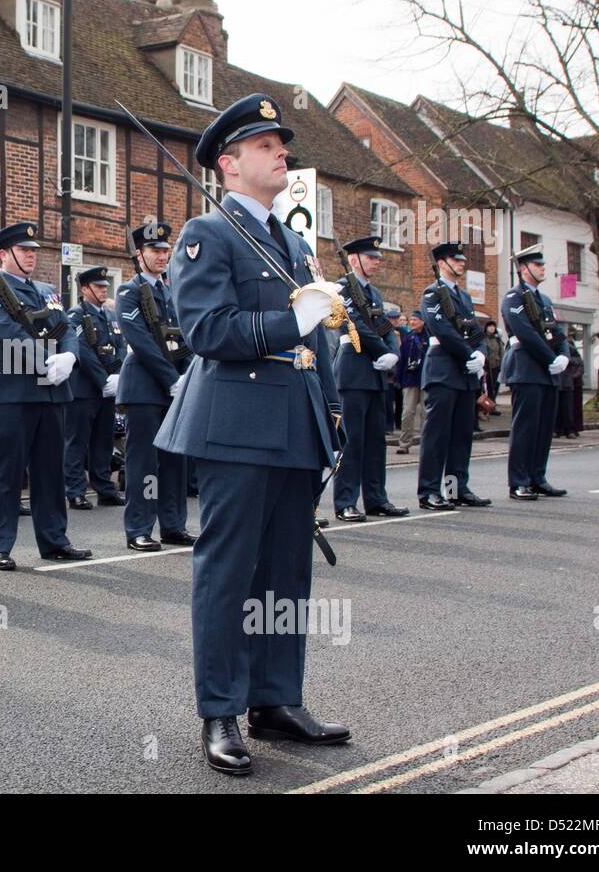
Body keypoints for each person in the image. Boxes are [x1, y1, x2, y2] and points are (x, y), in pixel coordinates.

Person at [155, 93, 349, 776]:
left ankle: (275, 698)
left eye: (281, 144)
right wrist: (286, 326)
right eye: (268, 145)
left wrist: (332, 412)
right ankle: (221, 710)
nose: (282, 153)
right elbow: (207, 332)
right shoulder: (206, 234)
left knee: (286, 573)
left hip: (295, 425)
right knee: (229, 573)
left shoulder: (294, 242)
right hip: (237, 423)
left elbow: (317, 342)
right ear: (230, 165)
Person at [0, 222, 91, 570]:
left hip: (51, 393)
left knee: (50, 472)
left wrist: (69, 357)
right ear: (4, 254)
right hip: (10, 390)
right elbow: (2, 329)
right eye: (24, 250)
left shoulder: (47, 290)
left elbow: (65, 328)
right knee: (5, 473)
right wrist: (43, 361)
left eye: (34, 250)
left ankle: (54, 540)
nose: (31, 256)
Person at [116, 227, 194, 550]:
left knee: (175, 461)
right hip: (145, 387)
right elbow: (142, 342)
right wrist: (171, 379)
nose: (162, 256)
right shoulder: (128, 292)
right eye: (154, 250)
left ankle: (173, 524)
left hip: (174, 384)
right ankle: (139, 527)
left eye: (165, 250)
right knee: (144, 464)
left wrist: (188, 376)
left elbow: (187, 336)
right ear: (140, 254)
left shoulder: (171, 291)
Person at [332, 236, 407, 521]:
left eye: (377, 258)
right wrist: (382, 350)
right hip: (354, 371)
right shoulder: (341, 288)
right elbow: (354, 324)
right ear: (354, 260)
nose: (377, 262)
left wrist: (394, 352)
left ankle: (376, 498)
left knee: (376, 440)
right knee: (351, 441)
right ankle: (345, 501)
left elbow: (386, 325)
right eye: (371, 257)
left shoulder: (373, 293)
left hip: (376, 374)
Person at [416, 242, 492, 510]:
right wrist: (467, 354)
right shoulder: (431, 293)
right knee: (437, 435)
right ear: (441, 263)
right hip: (443, 371)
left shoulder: (465, 297)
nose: (462, 263)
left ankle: (455, 488)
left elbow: (476, 331)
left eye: (462, 259)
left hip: (464, 373)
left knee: (461, 435)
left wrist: (481, 354)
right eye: (455, 259)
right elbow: (441, 329)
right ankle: (428, 491)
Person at [499, 244, 570, 500]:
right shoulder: (513, 297)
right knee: (525, 428)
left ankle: (537, 477)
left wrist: (564, 355)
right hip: (527, 368)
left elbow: (557, 331)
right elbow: (525, 333)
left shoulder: (545, 300)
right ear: (523, 268)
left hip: (547, 371)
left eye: (543, 265)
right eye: (538, 265)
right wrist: (551, 357)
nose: (542, 269)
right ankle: (518, 481)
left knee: (543, 428)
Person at [62, 267, 127, 511]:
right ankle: (75, 491)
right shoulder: (76, 315)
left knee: (103, 441)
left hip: (107, 389)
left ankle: (104, 488)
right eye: (98, 287)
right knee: (76, 442)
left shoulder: (110, 316)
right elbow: (83, 352)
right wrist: (103, 380)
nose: (103, 290)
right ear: (84, 289)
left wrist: (117, 375)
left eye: (104, 286)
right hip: (84, 389)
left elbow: (120, 346)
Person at [396, 313, 426, 454]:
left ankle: (426, 443)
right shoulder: (409, 338)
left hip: (426, 379)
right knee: (408, 412)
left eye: (415, 320)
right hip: (410, 379)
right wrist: (399, 378)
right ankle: (404, 443)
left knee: (426, 414)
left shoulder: (429, 338)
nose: (413, 322)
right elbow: (402, 360)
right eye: (411, 320)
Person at [483, 320, 505, 414]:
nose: (492, 328)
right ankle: (484, 406)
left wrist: (501, 363)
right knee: (486, 387)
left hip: (495, 365)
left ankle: (492, 405)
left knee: (494, 386)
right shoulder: (483, 338)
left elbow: (501, 352)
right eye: (490, 326)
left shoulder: (497, 339)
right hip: (486, 366)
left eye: (493, 326)